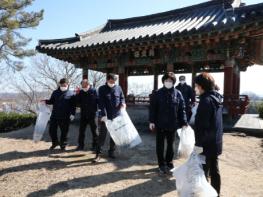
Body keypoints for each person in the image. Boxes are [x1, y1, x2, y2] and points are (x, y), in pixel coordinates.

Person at [149, 72, 188, 174]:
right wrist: (151, 121)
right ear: (163, 81)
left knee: (171, 145)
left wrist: (184, 122)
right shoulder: (157, 93)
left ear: (173, 82)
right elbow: (152, 109)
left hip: (172, 124)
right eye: (166, 80)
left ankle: (169, 162)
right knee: (160, 145)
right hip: (160, 123)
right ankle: (161, 164)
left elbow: (182, 109)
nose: (168, 82)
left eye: (170, 81)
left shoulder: (178, 93)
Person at [194, 72, 223, 195]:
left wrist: (199, 144)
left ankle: (206, 193)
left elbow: (201, 126)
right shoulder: (216, 99)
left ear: (201, 86)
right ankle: (215, 193)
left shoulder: (205, 101)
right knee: (215, 170)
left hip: (205, 144)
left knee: (203, 171)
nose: (195, 88)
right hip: (215, 142)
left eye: (196, 85)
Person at [93, 73, 126, 162]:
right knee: (102, 135)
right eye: (111, 81)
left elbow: (122, 98)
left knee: (114, 135)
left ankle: (111, 152)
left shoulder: (118, 88)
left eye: (114, 81)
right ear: (107, 80)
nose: (112, 82)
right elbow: (101, 103)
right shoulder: (102, 89)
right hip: (106, 116)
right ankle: (98, 154)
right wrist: (103, 115)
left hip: (116, 115)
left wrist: (123, 103)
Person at [43, 78, 76, 151]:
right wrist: (45, 101)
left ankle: (63, 145)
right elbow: (51, 101)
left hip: (65, 116)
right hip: (55, 115)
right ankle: (55, 143)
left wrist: (72, 114)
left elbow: (73, 105)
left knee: (64, 132)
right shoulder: (55, 92)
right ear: (59, 84)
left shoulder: (71, 93)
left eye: (64, 85)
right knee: (51, 130)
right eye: (61, 84)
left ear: (67, 84)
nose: (63, 86)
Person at [75, 79, 98, 151]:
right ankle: (80, 146)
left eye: (84, 84)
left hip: (93, 114)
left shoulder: (94, 91)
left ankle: (95, 146)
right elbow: (77, 102)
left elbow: (98, 101)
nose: (83, 86)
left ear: (88, 84)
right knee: (81, 131)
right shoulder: (81, 92)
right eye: (82, 84)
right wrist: (77, 94)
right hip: (83, 114)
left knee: (94, 131)